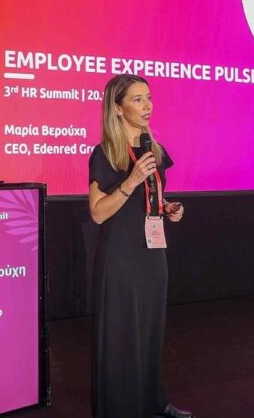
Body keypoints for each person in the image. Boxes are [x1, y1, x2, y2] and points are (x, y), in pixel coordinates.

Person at [88, 74, 192, 418]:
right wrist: (131, 181)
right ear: (117, 108)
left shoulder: (155, 152)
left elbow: (152, 201)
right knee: (122, 336)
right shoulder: (105, 154)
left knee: (150, 331)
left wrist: (169, 208)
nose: (147, 106)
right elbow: (98, 213)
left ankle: (153, 401)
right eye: (137, 99)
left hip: (152, 255)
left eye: (149, 98)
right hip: (121, 258)